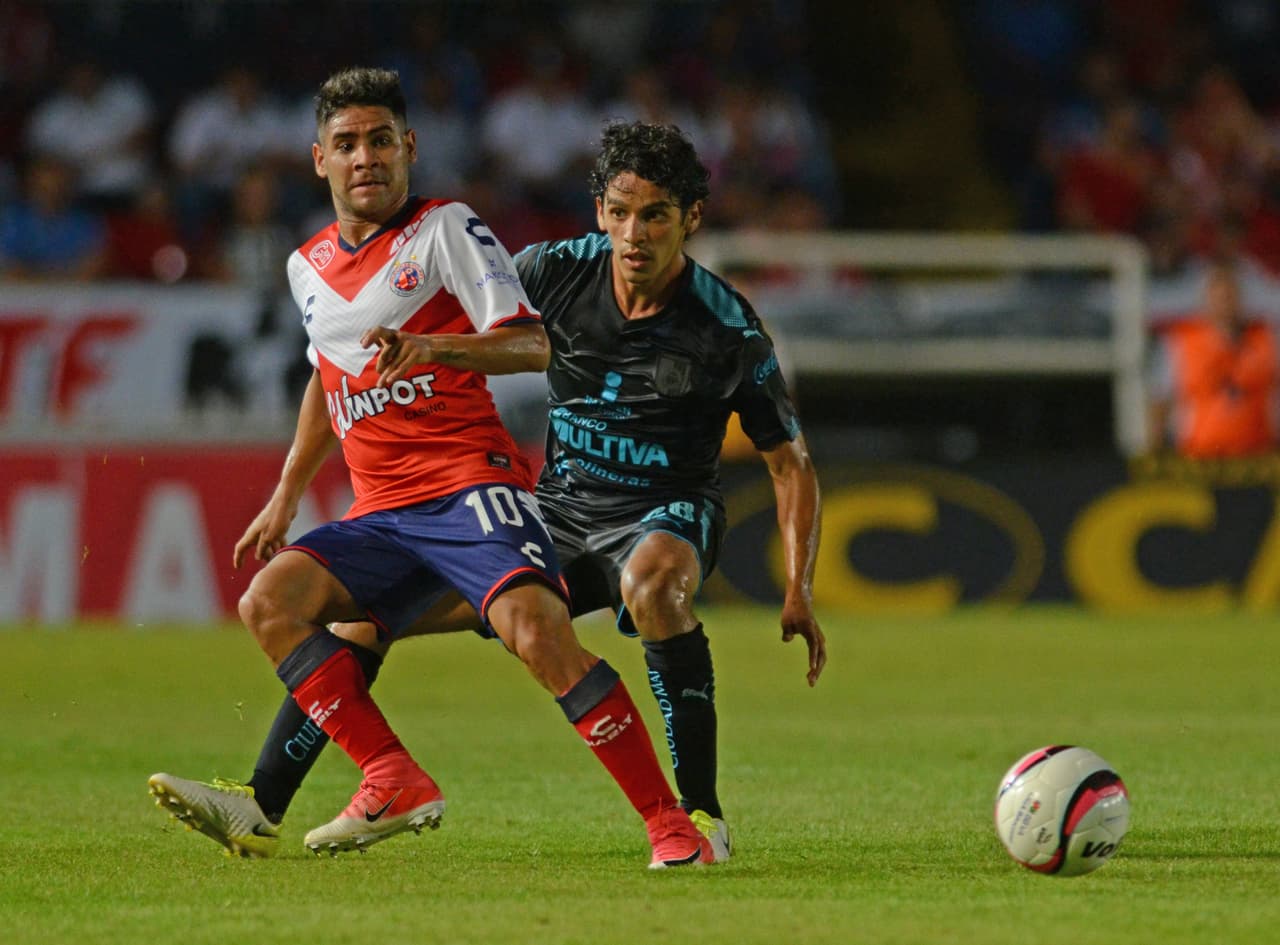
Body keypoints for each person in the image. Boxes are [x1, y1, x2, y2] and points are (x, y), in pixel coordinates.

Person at [152, 118, 827, 864]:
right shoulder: (551, 270)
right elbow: (406, 331)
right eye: (621, 212)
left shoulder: (727, 326)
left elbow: (789, 464)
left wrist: (796, 585)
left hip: (666, 509)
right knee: (372, 617)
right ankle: (266, 801)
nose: (635, 234)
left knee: (654, 584)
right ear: (600, 209)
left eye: (657, 215)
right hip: (560, 509)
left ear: (691, 219)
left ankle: (699, 816)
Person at [1147, 258, 1280, 457]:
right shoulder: (1180, 342)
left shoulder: (1266, 338)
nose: (1225, 302)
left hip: (1258, 455)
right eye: (1219, 294)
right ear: (1206, 298)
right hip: (1199, 455)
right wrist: (1155, 452)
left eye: (1230, 294)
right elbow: (1160, 401)